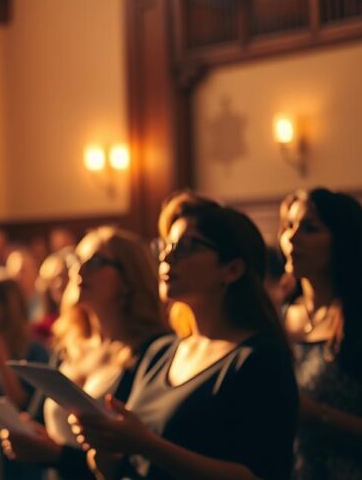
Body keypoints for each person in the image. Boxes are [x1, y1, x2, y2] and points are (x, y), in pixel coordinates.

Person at [72, 194, 298, 480]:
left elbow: (259, 475)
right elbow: (123, 469)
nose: (167, 256)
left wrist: (145, 444)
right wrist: (106, 451)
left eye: (188, 246)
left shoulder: (258, 359)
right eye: (166, 245)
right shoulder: (160, 352)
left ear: (232, 269)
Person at [0, 226, 171, 480]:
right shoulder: (69, 346)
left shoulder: (152, 351)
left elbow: (136, 459)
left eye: (97, 261)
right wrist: (23, 432)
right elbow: (36, 419)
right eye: (78, 260)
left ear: (129, 279)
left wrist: (57, 456)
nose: (79, 270)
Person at [279, 188, 362, 479]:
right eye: (289, 226)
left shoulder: (356, 320)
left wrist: (316, 415)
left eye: (310, 228)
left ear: (341, 241)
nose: (292, 237)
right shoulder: (279, 318)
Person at [0, 267, 50, 480]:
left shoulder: (34, 350)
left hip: (20, 453)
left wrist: (2, 359)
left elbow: (24, 405)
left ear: (10, 305)